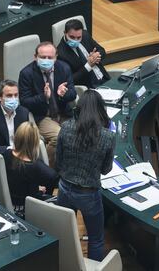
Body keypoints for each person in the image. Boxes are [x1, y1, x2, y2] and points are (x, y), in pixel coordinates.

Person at [55, 90, 116, 261]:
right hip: (89, 194)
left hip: (64, 189)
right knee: (96, 239)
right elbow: (105, 170)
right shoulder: (108, 136)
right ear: (101, 110)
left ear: (78, 108)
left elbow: (58, 162)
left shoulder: (66, 127)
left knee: (64, 233)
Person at [18, 41, 76, 168]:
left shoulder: (64, 68)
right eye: (43, 57)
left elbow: (73, 94)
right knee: (59, 136)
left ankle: (71, 166)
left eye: (50, 57)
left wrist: (63, 94)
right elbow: (24, 102)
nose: (46, 60)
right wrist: (43, 97)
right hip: (42, 116)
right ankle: (49, 169)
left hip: (63, 113)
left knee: (80, 132)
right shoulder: (26, 73)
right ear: (35, 57)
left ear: (56, 58)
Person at [3, 122, 58, 207]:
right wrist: (39, 190)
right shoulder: (36, 167)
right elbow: (53, 177)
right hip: (26, 208)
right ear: (35, 143)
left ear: (16, 137)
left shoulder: (6, 154)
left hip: (9, 202)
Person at [57, 19, 110, 88]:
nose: (75, 40)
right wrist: (88, 66)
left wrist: (97, 55)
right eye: (72, 37)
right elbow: (69, 80)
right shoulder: (60, 53)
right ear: (65, 33)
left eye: (79, 37)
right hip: (90, 87)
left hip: (104, 78)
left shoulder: (85, 35)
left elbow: (102, 50)